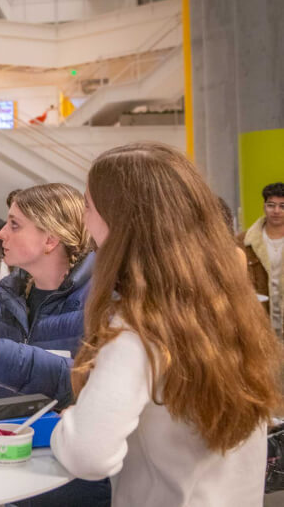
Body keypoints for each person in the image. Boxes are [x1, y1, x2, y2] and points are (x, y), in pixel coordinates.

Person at [51, 144, 280, 506]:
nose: (84, 222)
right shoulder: (231, 305)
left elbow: (87, 456)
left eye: (89, 208)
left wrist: (69, 425)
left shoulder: (137, 326)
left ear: (120, 222)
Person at [0, 184, 108, 507]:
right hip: (4, 476)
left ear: (50, 239)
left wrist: (2, 358)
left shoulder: (100, 300)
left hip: (70, 484)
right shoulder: (4, 297)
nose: (1, 234)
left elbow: (99, 387)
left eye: (14, 225)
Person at [239, 182, 284, 334]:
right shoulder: (243, 242)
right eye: (271, 205)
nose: (276, 211)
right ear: (264, 206)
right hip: (259, 325)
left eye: (282, 206)